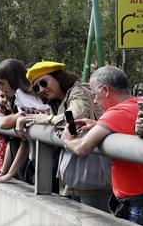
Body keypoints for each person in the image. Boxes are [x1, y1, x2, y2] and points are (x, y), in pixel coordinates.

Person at [65, 66, 143, 226]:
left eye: (95, 94)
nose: (94, 101)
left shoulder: (115, 113)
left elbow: (82, 148)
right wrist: (98, 125)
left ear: (105, 90)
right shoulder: (141, 104)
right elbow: (127, 127)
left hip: (138, 207)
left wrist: (66, 140)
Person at [19, 61, 112, 211]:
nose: (42, 89)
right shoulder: (58, 100)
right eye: (37, 87)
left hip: (95, 172)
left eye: (44, 82)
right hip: (80, 172)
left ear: (59, 77)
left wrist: (48, 119)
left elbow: (75, 116)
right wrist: (25, 118)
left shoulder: (79, 91)